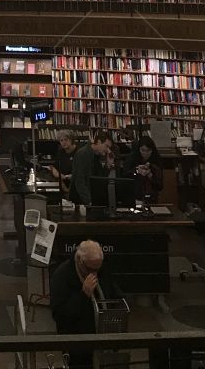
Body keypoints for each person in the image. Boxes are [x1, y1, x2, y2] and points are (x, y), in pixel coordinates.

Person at [49, 239, 116, 369]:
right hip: (76, 341)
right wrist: (83, 294)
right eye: (90, 269)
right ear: (80, 260)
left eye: (97, 269)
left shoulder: (100, 268)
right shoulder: (62, 276)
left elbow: (113, 291)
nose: (94, 273)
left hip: (103, 334)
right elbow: (59, 316)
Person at [70, 131, 112, 207]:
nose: (108, 150)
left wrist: (108, 165)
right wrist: (89, 201)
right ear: (99, 142)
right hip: (81, 202)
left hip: (91, 200)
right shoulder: (83, 154)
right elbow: (79, 181)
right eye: (107, 146)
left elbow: (100, 180)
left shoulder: (96, 156)